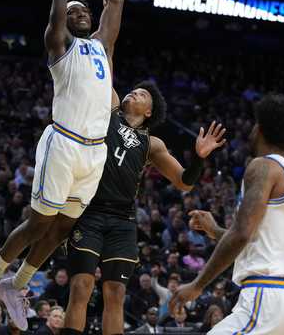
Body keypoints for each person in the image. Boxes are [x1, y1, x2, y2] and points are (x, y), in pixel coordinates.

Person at [0, 0, 124, 331]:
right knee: (39, 223)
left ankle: (18, 284)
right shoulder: (59, 45)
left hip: (95, 153)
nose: (80, 14)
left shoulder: (101, 47)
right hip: (64, 143)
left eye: (84, 11)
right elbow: (59, 0)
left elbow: (114, 1)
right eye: (74, 11)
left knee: (63, 229)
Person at [62, 72, 225, 335]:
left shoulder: (152, 144)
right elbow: (104, 67)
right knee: (81, 285)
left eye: (143, 94)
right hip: (89, 211)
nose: (134, 92)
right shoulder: (110, 112)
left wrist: (199, 157)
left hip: (122, 220)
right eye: (133, 90)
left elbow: (185, 182)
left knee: (115, 292)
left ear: (148, 112)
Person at [170, 94, 284, 335]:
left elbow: (242, 232)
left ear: (263, 129)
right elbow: (259, 240)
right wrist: (214, 230)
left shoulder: (263, 166)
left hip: (264, 298)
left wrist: (198, 284)